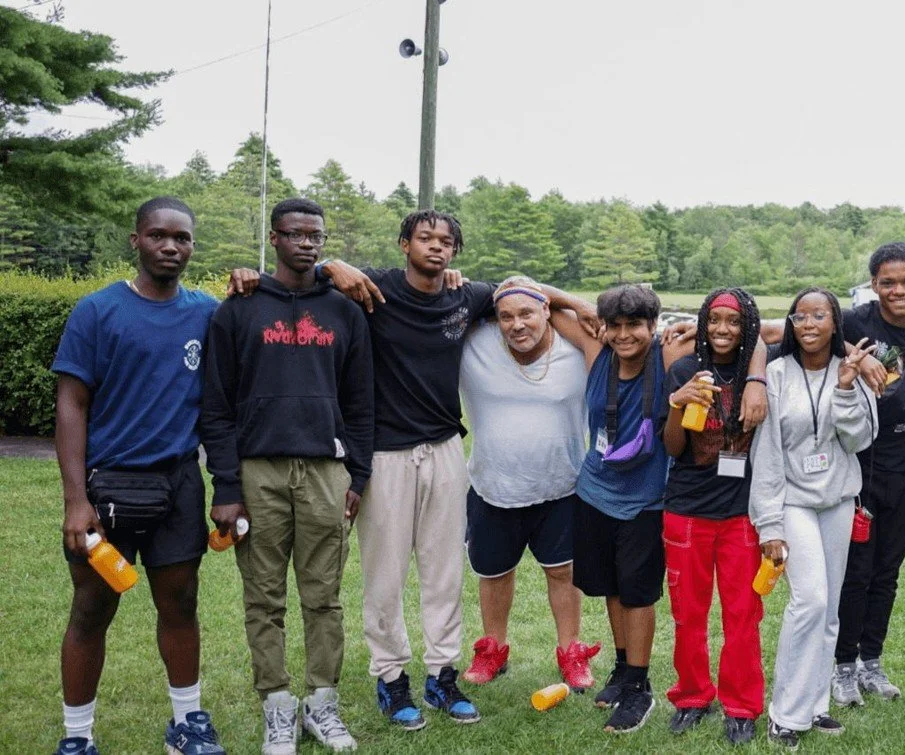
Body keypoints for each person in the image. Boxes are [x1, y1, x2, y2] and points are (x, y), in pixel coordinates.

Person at [229, 213, 601, 728]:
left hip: (446, 450)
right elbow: (303, 272)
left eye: (446, 242)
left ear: (455, 253)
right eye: (425, 238)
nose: (436, 247)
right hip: (385, 454)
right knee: (384, 577)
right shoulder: (373, 289)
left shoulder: (465, 297)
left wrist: (579, 303)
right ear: (405, 243)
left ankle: (442, 678)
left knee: (444, 573)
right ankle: (392, 680)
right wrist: (310, 265)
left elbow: (526, 290)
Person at [51, 197, 225, 755]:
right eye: (158, 236)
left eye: (182, 238)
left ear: (193, 245)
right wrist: (76, 501)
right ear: (136, 240)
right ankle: (78, 737)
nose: (171, 247)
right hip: (108, 489)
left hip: (178, 483)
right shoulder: (98, 311)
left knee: (180, 604)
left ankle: (188, 724)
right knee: (92, 609)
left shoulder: (207, 312)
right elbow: (71, 404)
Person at [201, 198, 373, 754]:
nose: (307, 243)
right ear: (273, 238)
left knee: (324, 596)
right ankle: (277, 705)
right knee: (264, 597)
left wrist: (359, 475)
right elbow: (217, 406)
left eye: (315, 235)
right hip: (258, 471)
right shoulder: (238, 310)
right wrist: (226, 486)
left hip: (325, 469)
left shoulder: (344, 311)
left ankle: (322, 701)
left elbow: (361, 401)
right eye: (295, 234)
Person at [558, 283, 767, 734]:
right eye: (614, 325)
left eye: (634, 324)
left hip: (660, 500)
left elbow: (761, 331)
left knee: (665, 598)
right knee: (619, 588)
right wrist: (578, 303)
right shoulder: (600, 349)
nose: (622, 334)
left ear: (653, 327)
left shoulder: (671, 350)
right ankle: (636, 675)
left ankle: (680, 692)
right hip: (602, 492)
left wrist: (756, 376)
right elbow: (528, 297)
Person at [457, 276, 601, 693]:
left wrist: (564, 295)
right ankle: (492, 650)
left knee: (563, 573)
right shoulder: (475, 343)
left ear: (546, 313)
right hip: (492, 486)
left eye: (526, 313)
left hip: (562, 487)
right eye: (506, 316)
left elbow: (604, 330)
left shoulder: (575, 349)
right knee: (494, 573)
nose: (516, 324)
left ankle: (571, 651)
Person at [750, 287, 877, 749]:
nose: (807, 324)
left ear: (834, 322)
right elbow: (766, 454)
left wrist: (845, 387)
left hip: (838, 500)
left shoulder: (853, 373)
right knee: (811, 600)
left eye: (818, 315)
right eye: (799, 316)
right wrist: (769, 524)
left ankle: (815, 702)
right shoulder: (777, 376)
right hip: (792, 502)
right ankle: (785, 713)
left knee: (829, 610)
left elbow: (860, 439)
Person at [832, 242, 905, 706]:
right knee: (856, 571)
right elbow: (805, 330)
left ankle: (871, 662)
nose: (898, 290)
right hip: (859, 462)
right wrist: (854, 354)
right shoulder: (858, 320)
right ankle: (843, 666)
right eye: (887, 282)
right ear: (873, 284)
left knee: (887, 571)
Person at [660, 288, 766, 745]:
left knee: (743, 613)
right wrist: (677, 402)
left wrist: (758, 378)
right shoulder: (686, 368)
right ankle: (692, 696)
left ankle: (741, 705)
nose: (724, 330)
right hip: (687, 510)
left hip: (742, 512)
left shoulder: (763, 370)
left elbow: (779, 334)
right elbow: (672, 448)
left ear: (748, 327)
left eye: (735, 321)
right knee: (689, 613)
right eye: (715, 320)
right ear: (703, 323)